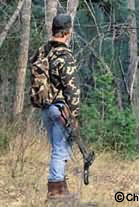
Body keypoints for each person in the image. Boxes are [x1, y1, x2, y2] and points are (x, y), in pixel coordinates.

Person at [32, 14, 80, 199]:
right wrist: (74, 115)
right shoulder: (65, 55)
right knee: (61, 150)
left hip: (45, 108)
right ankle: (55, 192)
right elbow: (72, 89)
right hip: (60, 108)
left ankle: (62, 189)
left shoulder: (42, 51)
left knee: (58, 149)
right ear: (68, 32)